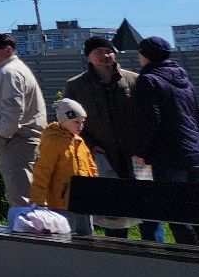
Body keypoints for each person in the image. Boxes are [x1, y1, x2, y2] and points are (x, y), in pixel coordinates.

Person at [65, 35, 162, 241]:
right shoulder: (76, 85)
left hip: (137, 156)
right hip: (103, 156)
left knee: (148, 206)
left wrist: (144, 147)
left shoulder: (134, 80)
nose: (105, 55)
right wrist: (91, 145)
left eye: (109, 51)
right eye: (99, 51)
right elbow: (68, 122)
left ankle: (154, 248)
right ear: (88, 56)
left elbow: (148, 116)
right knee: (113, 210)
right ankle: (116, 249)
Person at [130, 36, 199, 244]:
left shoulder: (148, 80)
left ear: (146, 55)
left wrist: (141, 152)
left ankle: (187, 257)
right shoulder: (183, 78)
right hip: (194, 152)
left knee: (176, 212)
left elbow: (149, 121)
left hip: (168, 156)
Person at [0, 33, 45, 207]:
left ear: (8, 50)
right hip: (18, 140)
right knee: (23, 193)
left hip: (16, 141)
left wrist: (2, 136)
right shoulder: (10, 70)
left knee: (21, 198)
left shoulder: (9, 72)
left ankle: (27, 225)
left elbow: (13, 110)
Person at [31, 98, 97, 235]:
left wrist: (94, 193)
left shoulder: (79, 141)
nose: (81, 126)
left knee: (87, 238)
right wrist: (37, 200)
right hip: (61, 204)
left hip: (83, 203)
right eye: (76, 122)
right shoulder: (53, 141)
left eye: (82, 122)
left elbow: (91, 168)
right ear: (63, 120)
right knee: (65, 238)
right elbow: (42, 171)